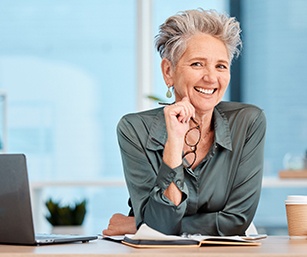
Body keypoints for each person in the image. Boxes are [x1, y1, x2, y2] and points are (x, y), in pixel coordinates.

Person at [103, 8, 266, 236]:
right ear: (168, 71)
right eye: (197, 64)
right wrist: (174, 144)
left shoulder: (248, 122)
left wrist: (138, 224)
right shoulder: (134, 130)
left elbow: (237, 220)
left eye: (221, 66)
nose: (211, 77)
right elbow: (161, 223)